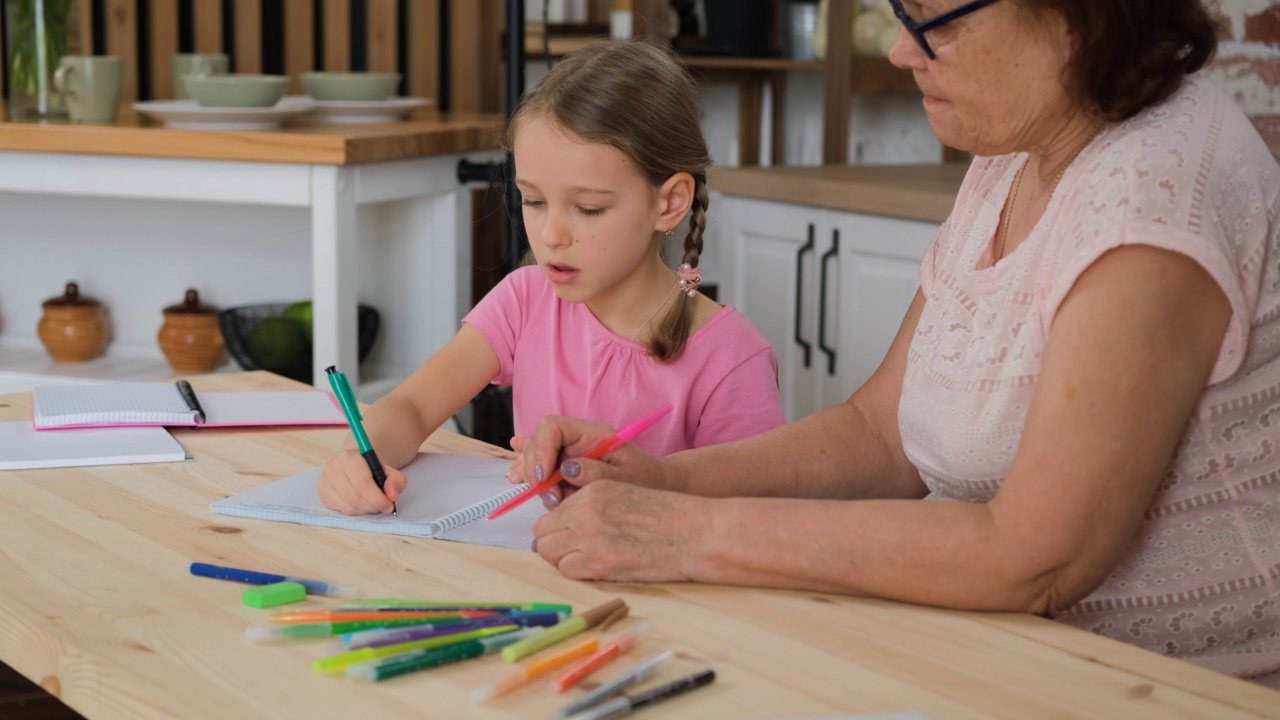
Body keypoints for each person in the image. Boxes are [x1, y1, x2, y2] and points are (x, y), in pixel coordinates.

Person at [511, 0, 1280, 687]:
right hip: (1005, 651)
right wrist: (667, 482)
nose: (901, 51)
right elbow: (881, 435)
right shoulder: (1018, 147)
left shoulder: (1153, 202)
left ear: (1081, 18)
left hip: (1171, 688)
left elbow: (1033, 557)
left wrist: (687, 534)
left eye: (933, 21)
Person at [317, 41, 785, 517]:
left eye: (588, 208)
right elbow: (412, 408)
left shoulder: (732, 358)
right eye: (533, 201)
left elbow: (755, 514)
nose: (551, 235)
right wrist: (358, 458)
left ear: (668, 204)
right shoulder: (525, 299)